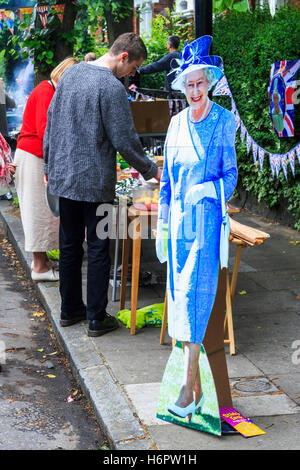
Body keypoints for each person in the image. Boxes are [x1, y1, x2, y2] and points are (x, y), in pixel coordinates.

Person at [43, 32, 162, 337]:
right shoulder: (111, 87)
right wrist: (151, 170)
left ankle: (69, 310)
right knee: (98, 248)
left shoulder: (71, 74)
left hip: (65, 178)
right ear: (123, 57)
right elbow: (124, 139)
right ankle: (97, 318)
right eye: (133, 68)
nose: (132, 74)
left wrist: (48, 163)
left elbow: (51, 120)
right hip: (95, 182)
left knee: (69, 246)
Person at [156, 36, 238, 421]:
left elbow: (233, 175)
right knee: (180, 305)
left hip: (206, 226)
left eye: (199, 83)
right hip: (179, 230)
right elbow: (168, 183)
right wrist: (162, 221)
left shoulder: (222, 121)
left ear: (210, 82)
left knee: (193, 301)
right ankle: (198, 390)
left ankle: (188, 391)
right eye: (188, 84)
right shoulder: (174, 125)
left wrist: (211, 188)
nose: (193, 91)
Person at [14, 57, 79, 282]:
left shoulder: (46, 89)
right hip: (33, 156)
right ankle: (39, 268)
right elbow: (46, 132)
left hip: (33, 155)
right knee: (39, 213)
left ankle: (40, 262)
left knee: (41, 211)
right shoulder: (46, 92)